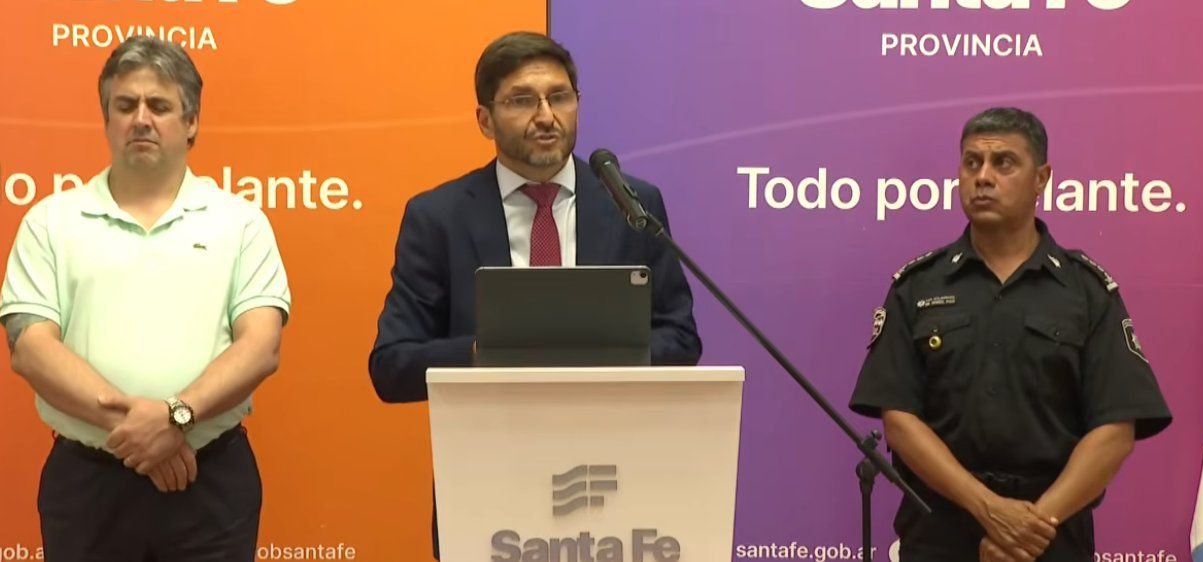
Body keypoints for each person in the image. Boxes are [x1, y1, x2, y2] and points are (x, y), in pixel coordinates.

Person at [368, 31, 702, 558]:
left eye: (559, 97)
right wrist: (489, 352)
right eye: (522, 100)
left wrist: (595, 353)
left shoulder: (633, 205)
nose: (546, 116)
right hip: (488, 487)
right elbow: (392, 367)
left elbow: (681, 339)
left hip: (617, 483)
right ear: (485, 120)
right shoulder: (438, 217)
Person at [1, 36, 290, 561]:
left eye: (159, 105)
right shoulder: (50, 222)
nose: (141, 119)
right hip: (88, 485)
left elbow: (261, 345)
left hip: (209, 482)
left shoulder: (240, 222)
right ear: (107, 119)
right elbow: (31, 347)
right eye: (125, 105)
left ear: (191, 122)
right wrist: (142, 433)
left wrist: (176, 417)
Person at [849, 107, 1170, 561]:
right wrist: (990, 509)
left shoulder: (1086, 291)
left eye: (1003, 163)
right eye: (971, 162)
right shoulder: (917, 287)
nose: (983, 177)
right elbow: (899, 420)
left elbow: (1116, 429)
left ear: (1041, 179)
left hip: (1051, 538)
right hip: (940, 537)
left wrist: (1031, 526)